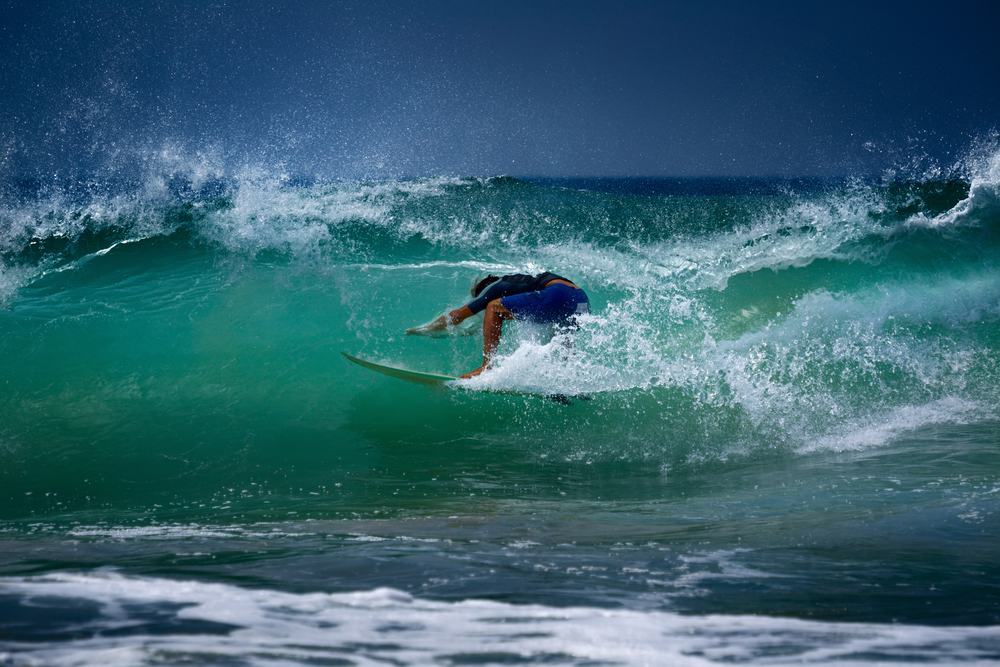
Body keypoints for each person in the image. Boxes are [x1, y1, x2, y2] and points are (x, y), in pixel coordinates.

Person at [407, 272, 590, 378]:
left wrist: (425, 330)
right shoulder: (523, 285)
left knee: (493, 307)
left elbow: (455, 316)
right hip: (582, 301)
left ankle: (487, 367)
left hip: (557, 295)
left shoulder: (494, 287)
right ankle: (565, 376)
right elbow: (509, 317)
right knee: (559, 332)